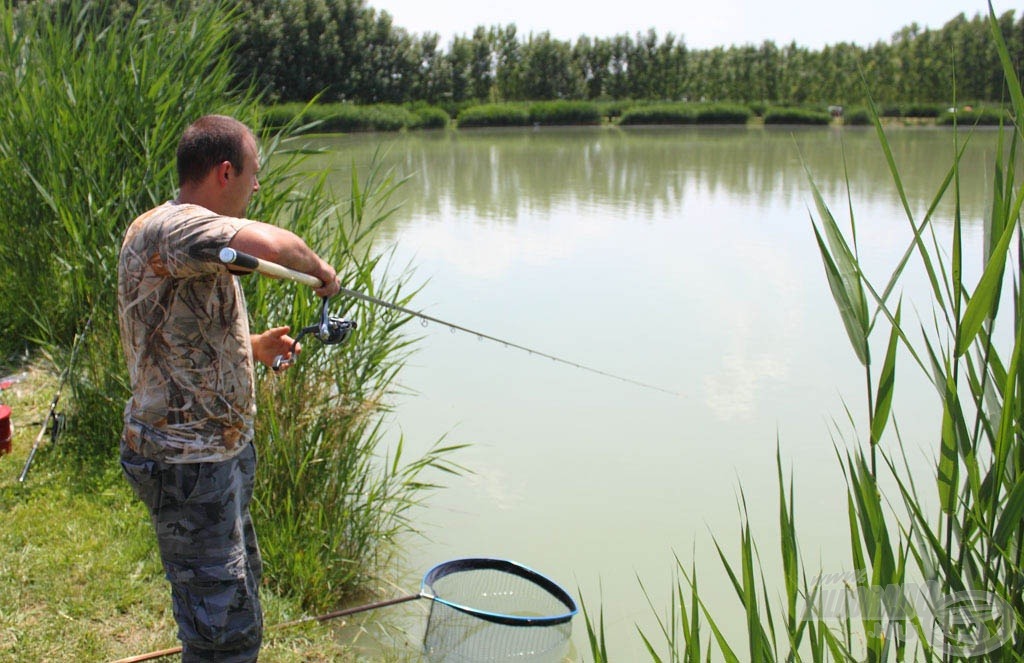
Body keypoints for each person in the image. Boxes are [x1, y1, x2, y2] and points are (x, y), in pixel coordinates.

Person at [117, 114, 340, 661]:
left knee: (236, 606)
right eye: (253, 174)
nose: (257, 185)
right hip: (188, 464)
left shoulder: (194, 245)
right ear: (224, 171)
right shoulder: (174, 228)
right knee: (221, 636)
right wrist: (321, 272)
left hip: (218, 457)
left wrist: (253, 345)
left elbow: (181, 327)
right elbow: (275, 246)